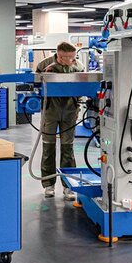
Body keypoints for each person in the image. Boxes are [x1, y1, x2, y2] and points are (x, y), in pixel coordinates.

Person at [36, 42, 84, 200]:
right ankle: (48, 184)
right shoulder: (44, 65)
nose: (69, 60)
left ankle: (68, 185)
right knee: (48, 148)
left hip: (70, 111)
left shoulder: (79, 66)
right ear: (58, 54)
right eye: (66, 57)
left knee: (67, 149)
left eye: (72, 57)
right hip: (50, 110)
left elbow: (83, 85)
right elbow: (35, 85)